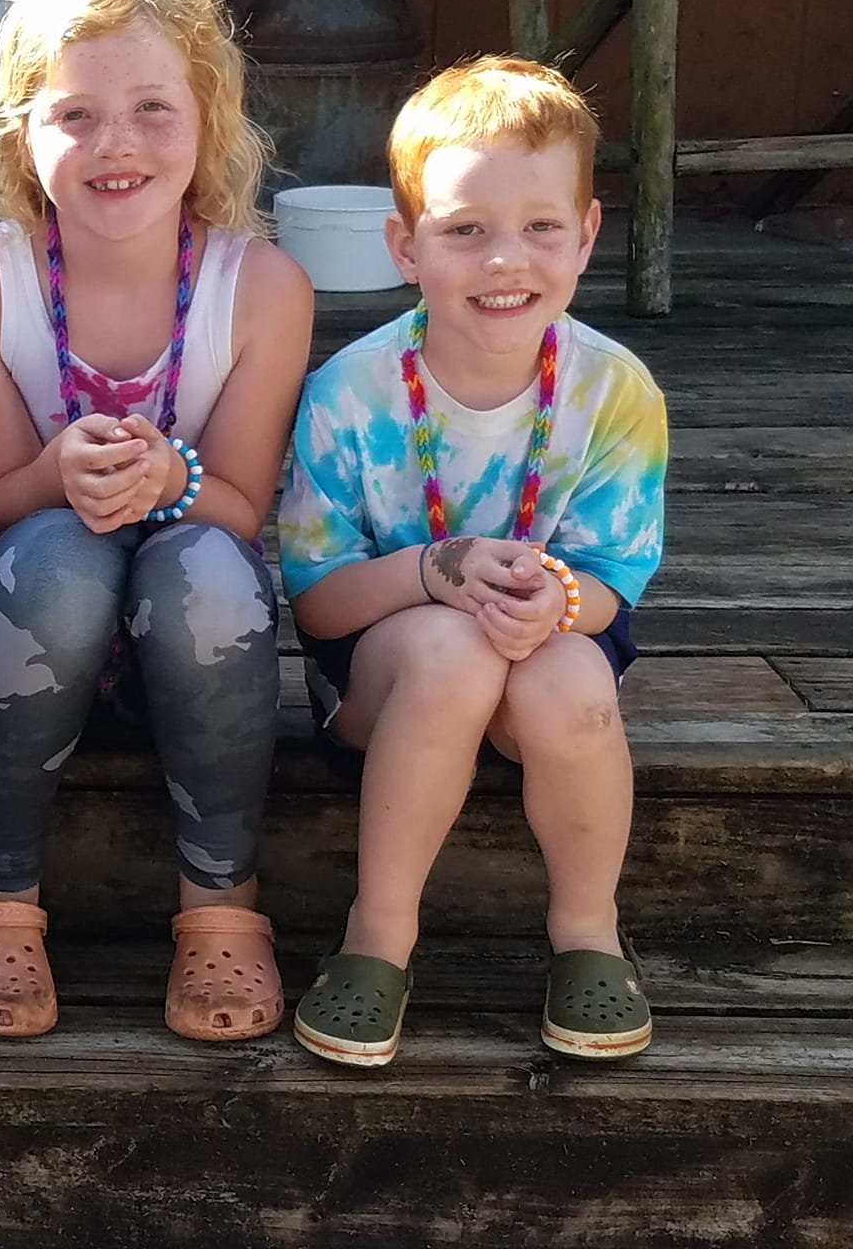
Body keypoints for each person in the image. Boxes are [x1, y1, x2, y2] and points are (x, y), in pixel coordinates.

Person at [0, 0, 315, 1041]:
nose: (115, 145)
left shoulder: (262, 287)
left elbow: (239, 505)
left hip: (194, 645)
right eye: (74, 114)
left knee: (203, 564)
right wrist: (58, 472)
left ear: (208, 126)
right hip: (40, 631)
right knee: (52, 554)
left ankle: (221, 904)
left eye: (153, 110)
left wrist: (165, 473)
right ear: (21, 131)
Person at [277, 55, 668, 1069]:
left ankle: (586, 929)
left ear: (585, 233)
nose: (504, 260)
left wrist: (556, 598)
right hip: (385, 669)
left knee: (573, 683)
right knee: (452, 656)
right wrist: (430, 572)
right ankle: (378, 935)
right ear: (404, 246)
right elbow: (317, 607)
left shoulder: (615, 392)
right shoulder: (348, 392)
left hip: (549, 641)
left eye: (540, 227)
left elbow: (611, 580)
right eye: (463, 231)